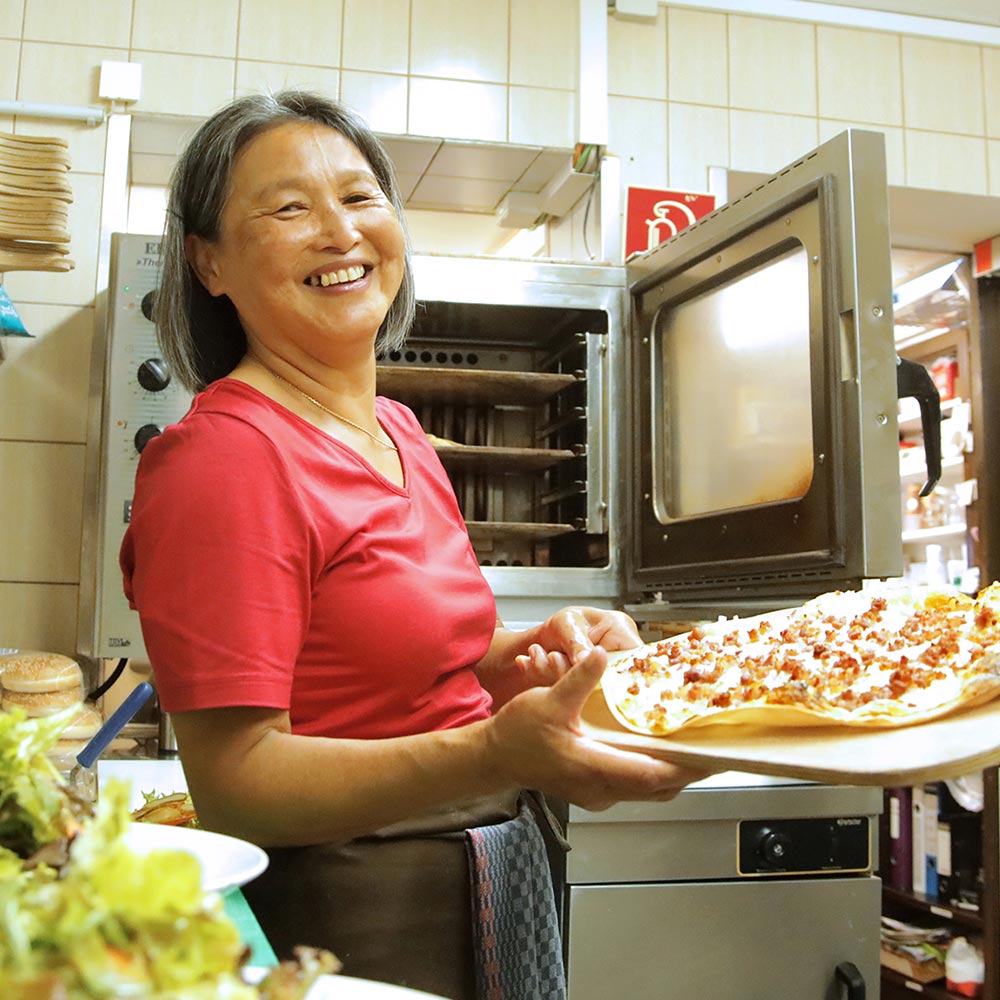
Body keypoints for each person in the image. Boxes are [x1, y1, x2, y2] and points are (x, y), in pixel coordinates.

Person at [119, 90, 708, 1000]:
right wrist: (497, 753)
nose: (338, 232)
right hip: (351, 929)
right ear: (208, 262)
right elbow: (236, 782)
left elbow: (419, 670)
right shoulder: (223, 458)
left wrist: (535, 657)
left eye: (360, 198)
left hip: (495, 886)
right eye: (288, 209)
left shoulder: (399, 431)